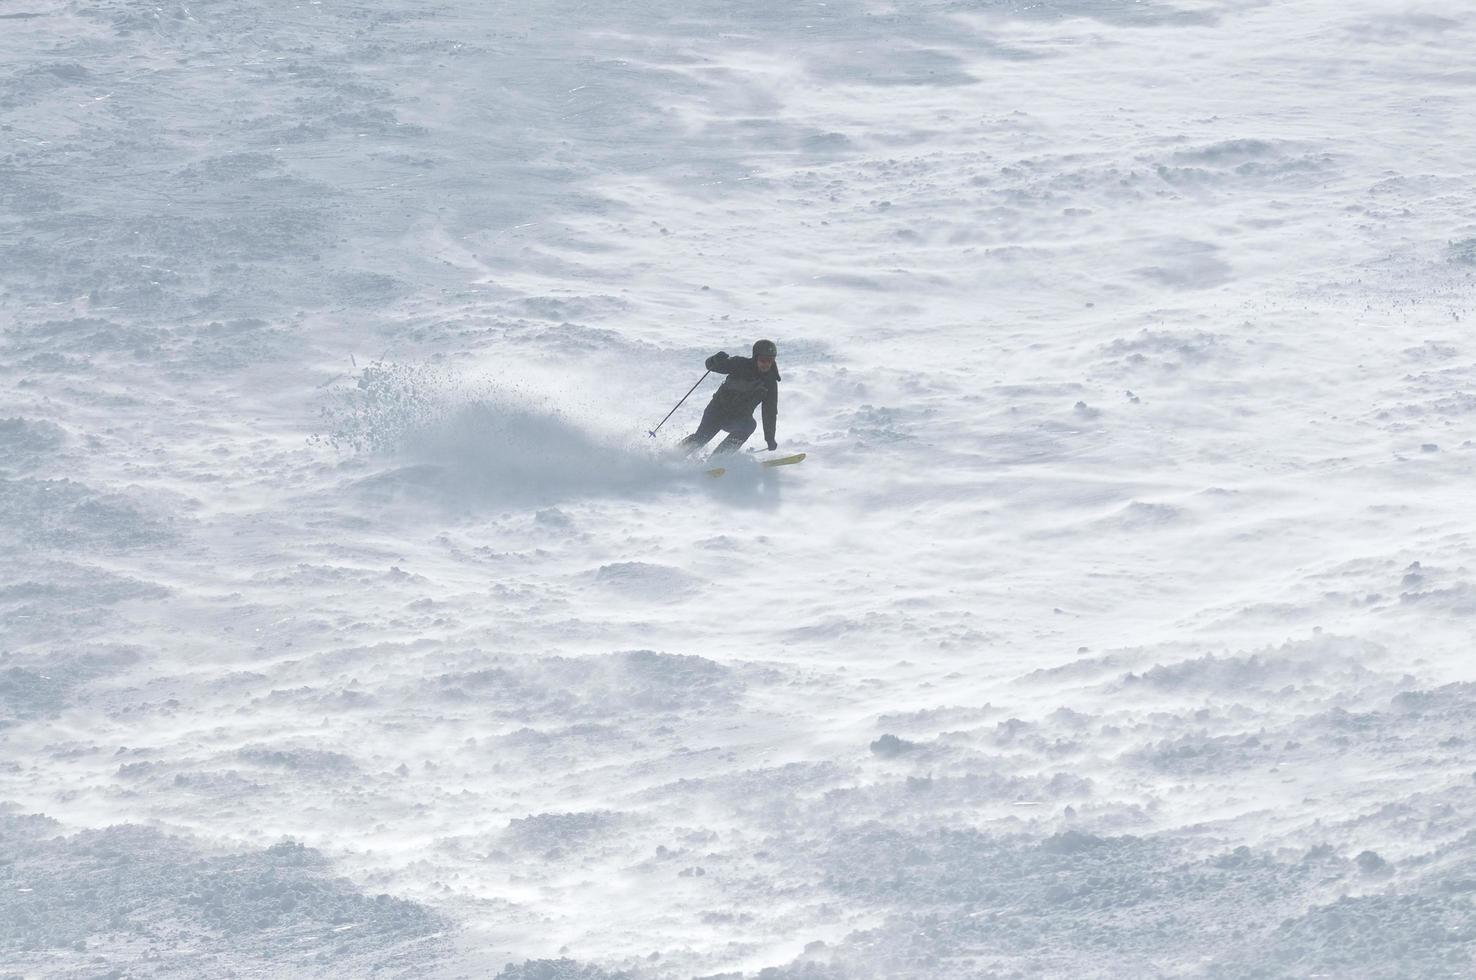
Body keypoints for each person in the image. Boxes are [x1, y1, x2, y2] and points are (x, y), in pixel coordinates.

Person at [679, 339, 781, 456]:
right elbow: (711, 366)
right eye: (763, 360)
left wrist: (770, 438)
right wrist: (715, 359)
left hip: (738, 418)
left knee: (749, 425)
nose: (766, 364)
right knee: (700, 439)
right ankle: (674, 455)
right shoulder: (739, 364)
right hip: (716, 412)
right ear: (755, 357)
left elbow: (770, 412)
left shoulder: (770, 383)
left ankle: (718, 458)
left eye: (770, 360)